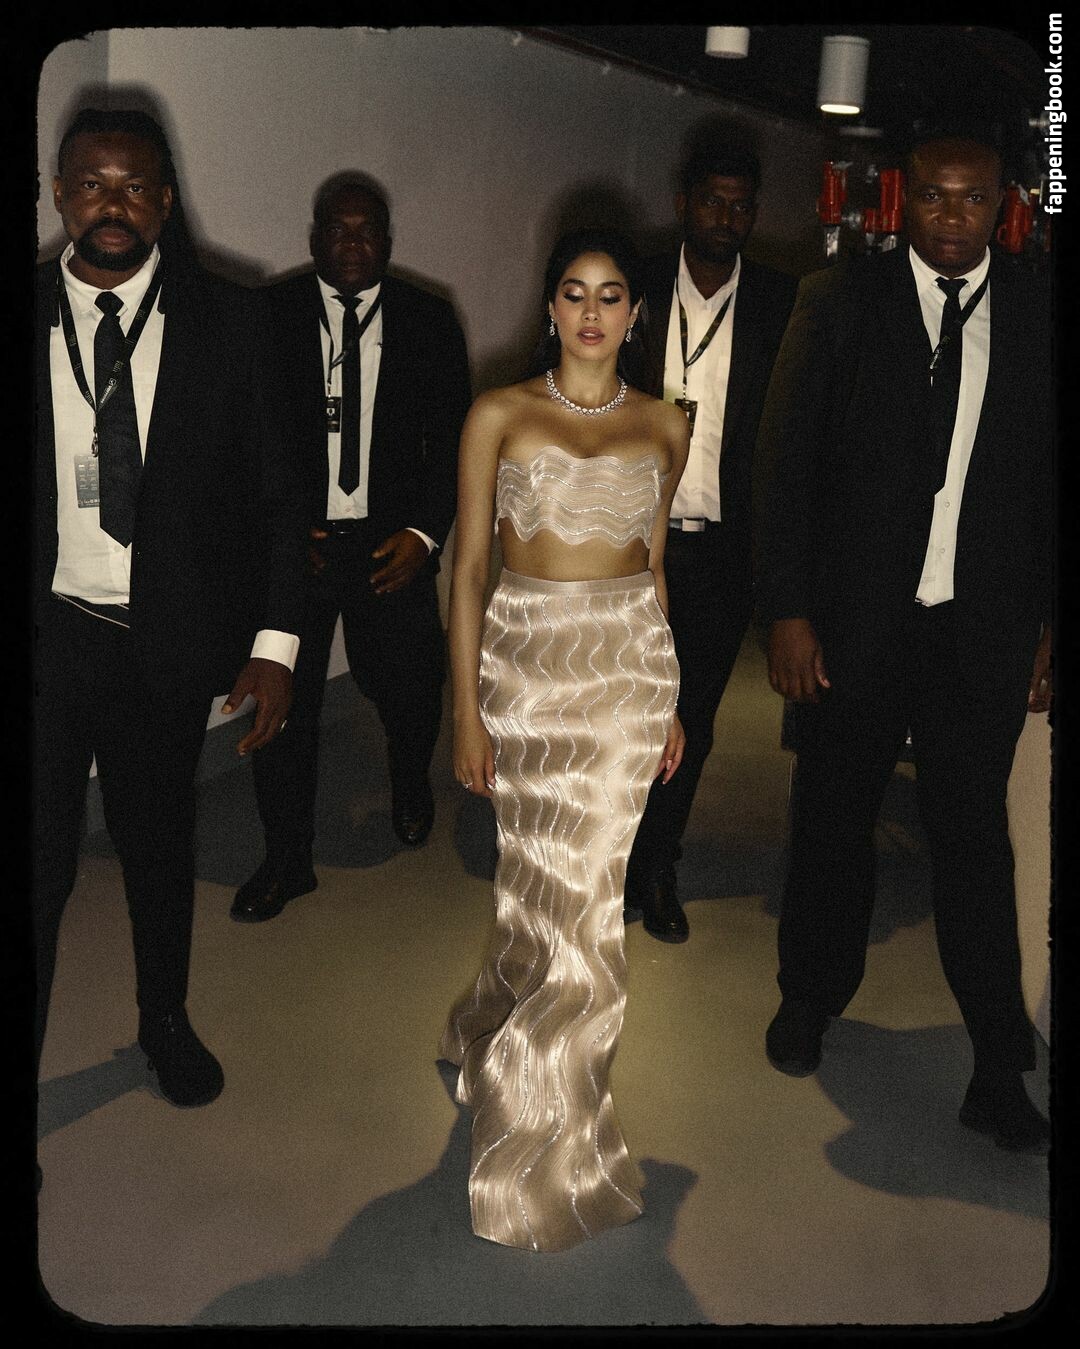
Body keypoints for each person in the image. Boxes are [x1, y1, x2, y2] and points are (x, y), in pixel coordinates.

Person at [757, 133, 1052, 1153]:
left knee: (974, 843)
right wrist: (788, 610)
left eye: (972, 199)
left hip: (980, 631)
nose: (951, 216)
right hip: (855, 625)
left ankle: (996, 1066)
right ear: (902, 201)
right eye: (933, 196)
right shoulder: (839, 301)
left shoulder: (1037, 311)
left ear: (1000, 206)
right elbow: (785, 464)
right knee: (833, 817)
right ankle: (810, 997)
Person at [34, 109, 305, 1111]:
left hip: (165, 641)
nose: (113, 204)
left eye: (136, 186)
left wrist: (276, 646)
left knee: (158, 848)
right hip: (46, 637)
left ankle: (163, 1020)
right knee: (38, 869)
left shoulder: (231, 320)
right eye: (92, 184)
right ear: (59, 194)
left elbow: (281, 494)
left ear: (166, 200)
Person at [439, 229, 689, 1250]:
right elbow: (468, 570)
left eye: (612, 294)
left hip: (628, 670)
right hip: (528, 667)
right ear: (550, 306)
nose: (593, 311)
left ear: (635, 312)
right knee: (538, 884)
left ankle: (549, 1154)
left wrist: (669, 698)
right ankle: (489, 1024)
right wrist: (466, 709)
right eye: (575, 293)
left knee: (589, 912)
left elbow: (654, 563)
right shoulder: (499, 413)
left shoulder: (666, 423)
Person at [230, 174, 471, 923]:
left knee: (411, 684)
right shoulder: (267, 315)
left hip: (391, 543)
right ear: (315, 239)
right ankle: (286, 859)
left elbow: (456, 444)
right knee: (282, 703)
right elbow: (237, 437)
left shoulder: (429, 319)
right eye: (339, 229)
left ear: (388, 243)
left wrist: (425, 535)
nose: (354, 243)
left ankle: (409, 779)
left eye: (368, 231)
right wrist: (267, 527)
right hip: (295, 545)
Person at [624, 142, 796, 942]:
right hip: (627, 544)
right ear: (683, 203)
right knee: (620, 708)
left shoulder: (781, 302)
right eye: (712, 201)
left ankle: (657, 865)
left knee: (689, 717)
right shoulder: (634, 282)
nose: (725, 217)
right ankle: (606, 857)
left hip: (722, 551)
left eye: (740, 205)